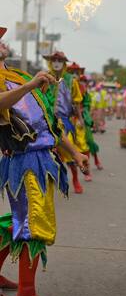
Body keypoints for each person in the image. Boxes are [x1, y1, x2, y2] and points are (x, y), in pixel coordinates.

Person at [0, 28, 88, 296]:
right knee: (32, 225)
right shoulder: (19, 82)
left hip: (44, 160)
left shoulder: (20, 76)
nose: (2, 42)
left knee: (22, 220)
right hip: (22, 161)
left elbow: (49, 123)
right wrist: (29, 87)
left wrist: (75, 151)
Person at [43, 51, 87, 193]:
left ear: (64, 63)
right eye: (54, 60)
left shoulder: (70, 80)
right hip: (45, 120)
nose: (56, 62)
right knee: (44, 152)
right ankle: (49, 182)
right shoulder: (44, 77)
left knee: (70, 151)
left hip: (65, 121)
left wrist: (80, 119)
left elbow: (76, 103)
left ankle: (75, 179)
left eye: (59, 60)